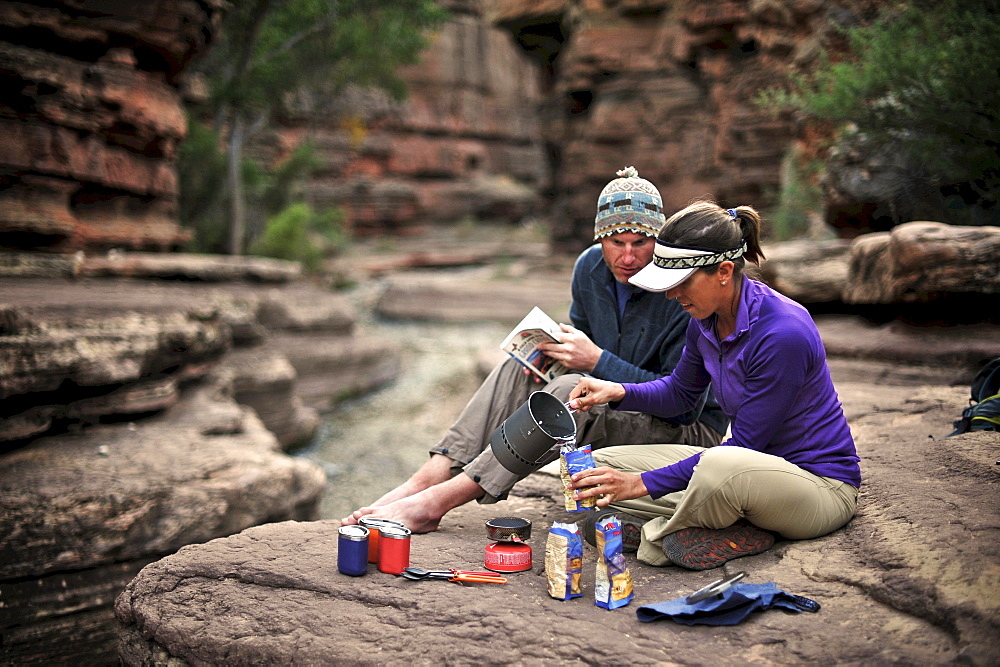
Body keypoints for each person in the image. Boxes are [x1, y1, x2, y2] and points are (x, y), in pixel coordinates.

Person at [341, 168, 729, 533]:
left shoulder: (680, 289)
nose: (627, 257)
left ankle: (439, 502)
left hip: (685, 431)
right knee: (519, 367)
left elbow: (684, 404)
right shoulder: (590, 269)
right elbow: (582, 343)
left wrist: (596, 361)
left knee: (566, 392)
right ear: (599, 239)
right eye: (616, 243)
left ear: (657, 240)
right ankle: (428, 477)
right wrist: (551, 353)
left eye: (640, 243)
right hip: (614, 403)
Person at [567, 201, 861, 570]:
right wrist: (618, 391)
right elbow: (679, 394)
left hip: (816, 488)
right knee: (596, 467)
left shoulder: (783, 333)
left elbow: (745, 447)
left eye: (681, 283)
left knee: (719, 464)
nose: (672, 295)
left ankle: (655, 533)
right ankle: (722, 525)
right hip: (743, 473)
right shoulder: (704, 320)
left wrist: (638, 485)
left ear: (723, 271)